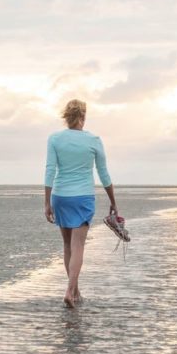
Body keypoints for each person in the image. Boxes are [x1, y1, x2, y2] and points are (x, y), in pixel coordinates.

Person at [44, 99, 118, 308]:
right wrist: (113, 201)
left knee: (67, 245)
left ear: (66, 117)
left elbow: (50, 170)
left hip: (60, 197)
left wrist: (47, 202)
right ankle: (70, 291)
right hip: (83, 197)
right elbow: (103, 173)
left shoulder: (55, 139)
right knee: (78, 246)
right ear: (83, 117)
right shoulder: (93, 140)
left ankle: (75, 291)